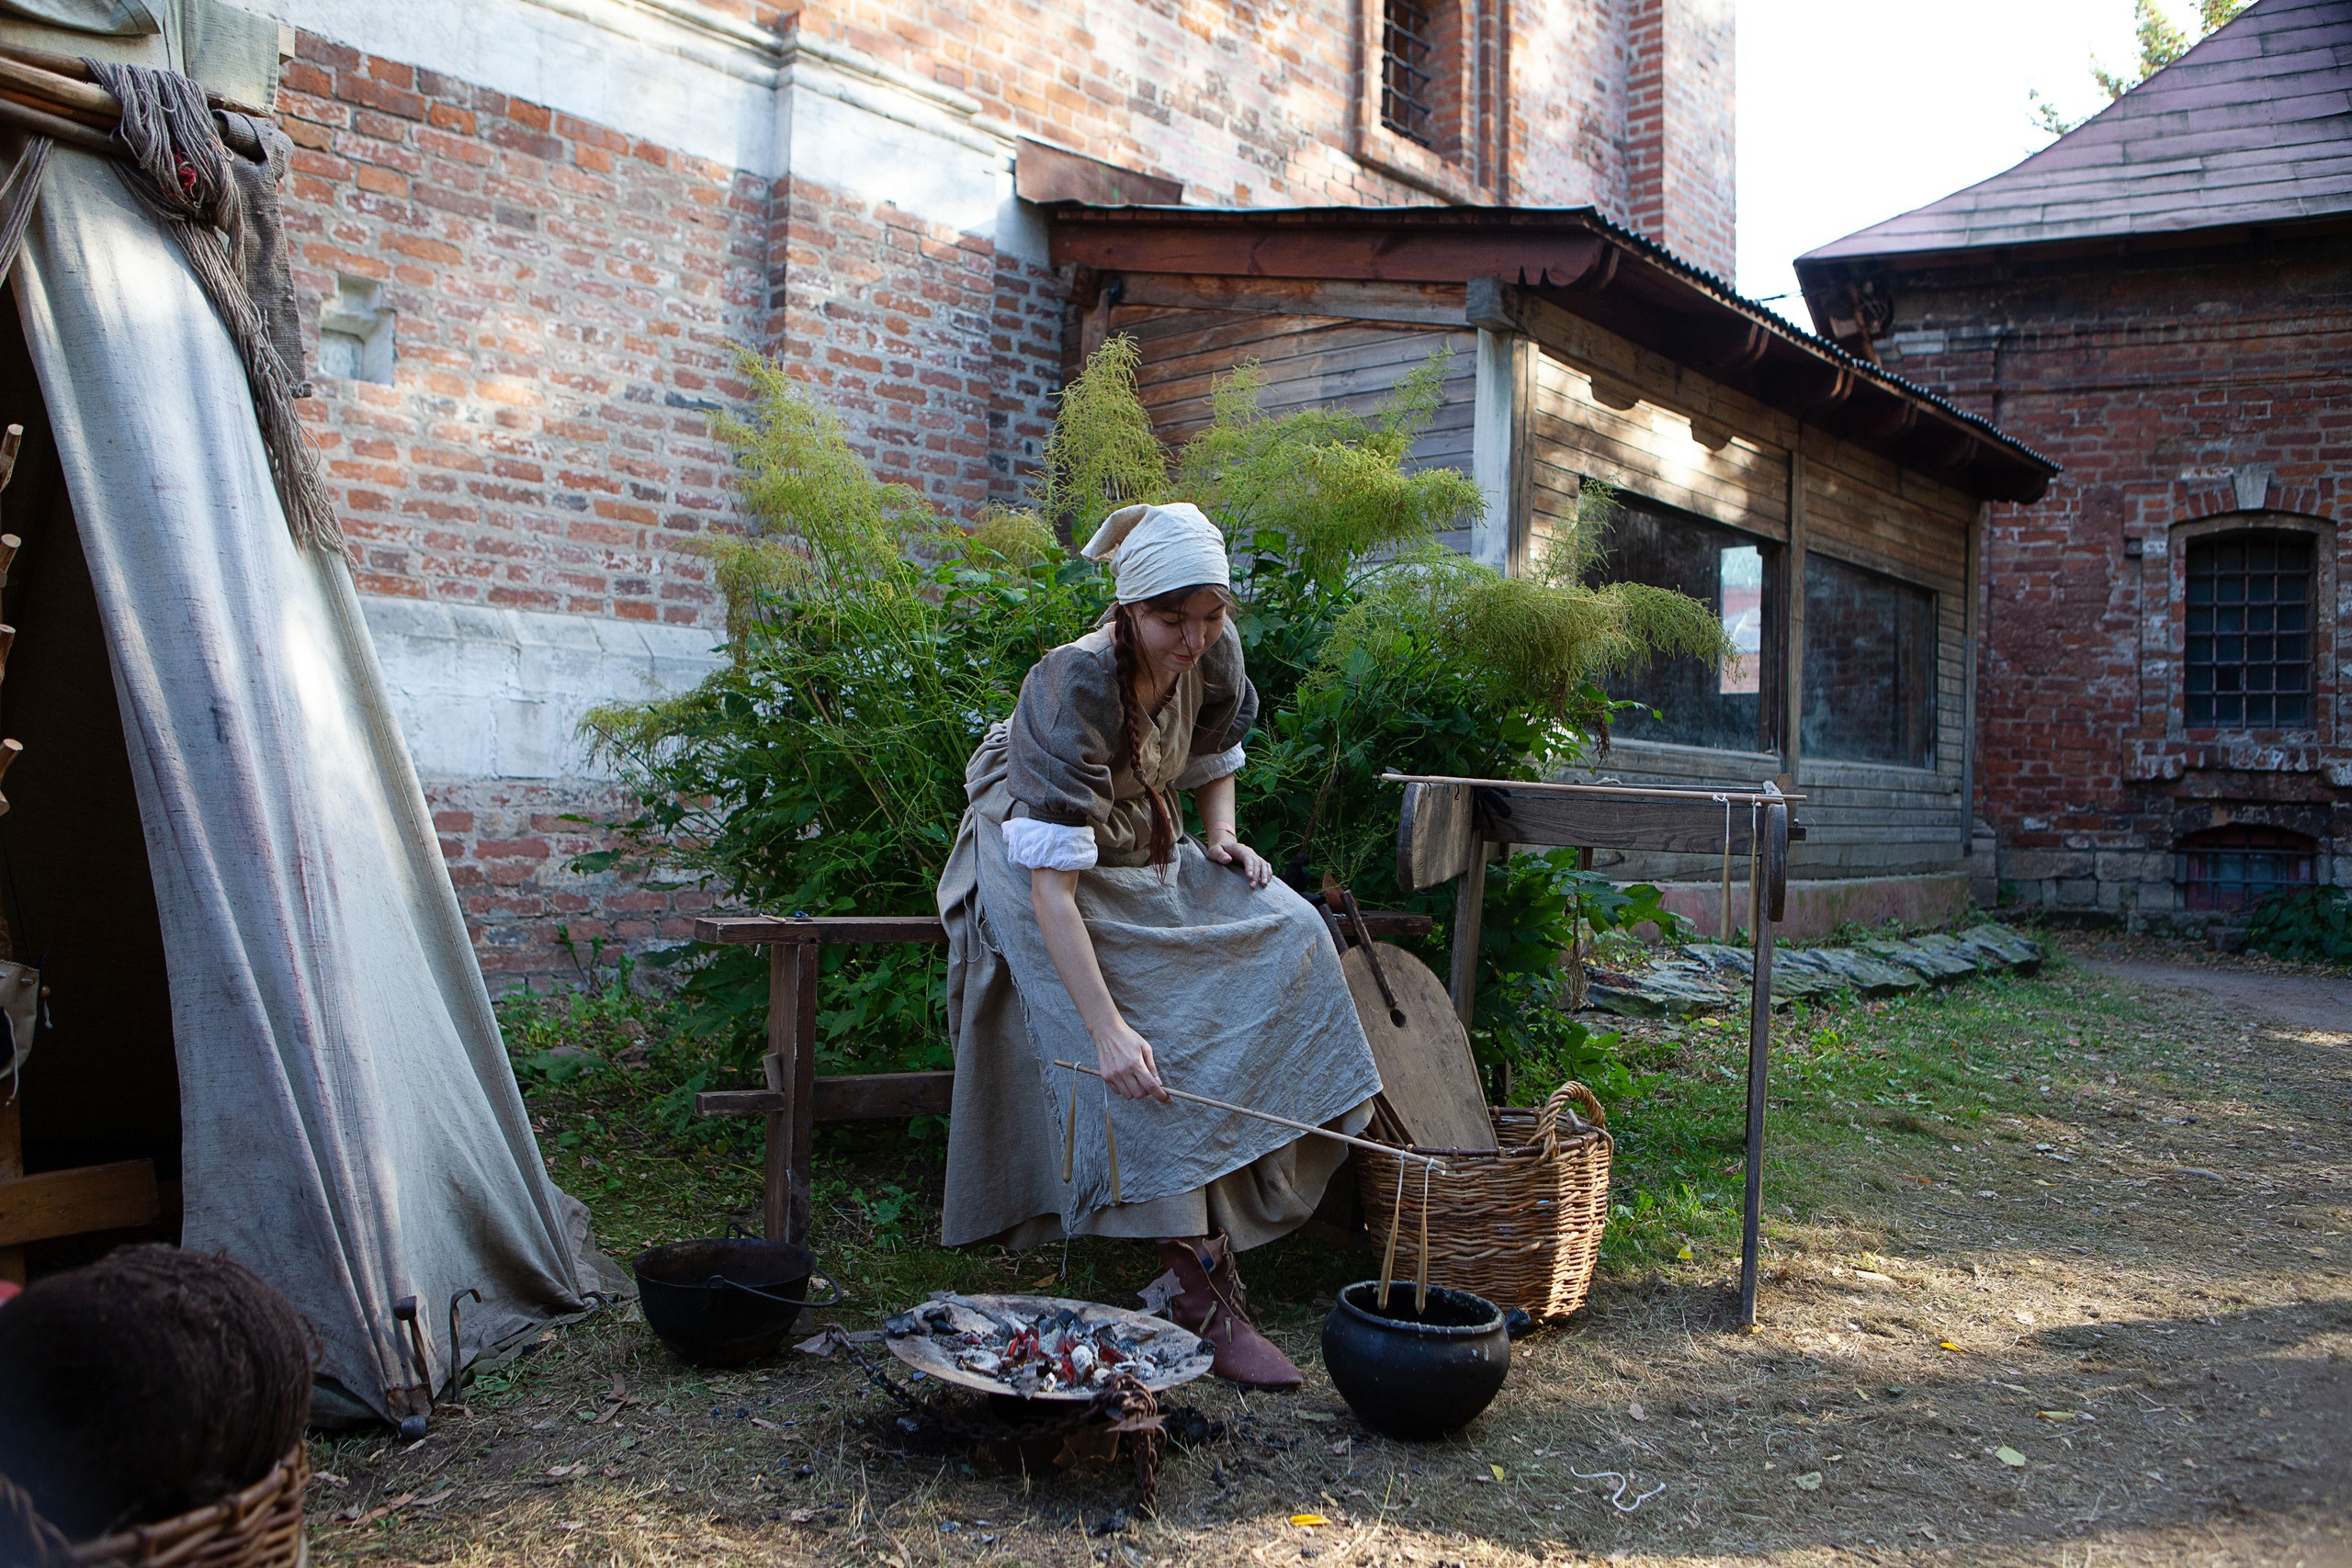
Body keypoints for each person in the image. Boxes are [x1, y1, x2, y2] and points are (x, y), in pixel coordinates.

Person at [935, 502, 1383, 1388]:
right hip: (1034, 854)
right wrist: (1104, 1031)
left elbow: (1214, 747)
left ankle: (1228, 1230)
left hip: (1138, 828)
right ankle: (1195, 1283)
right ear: (1129, 611)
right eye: (1172, 620)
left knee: (1292, 930)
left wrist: (1218, 836)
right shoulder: (1073, 689)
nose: (1193, 638)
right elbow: (1052, 889)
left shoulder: (1213, 647)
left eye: (1210, 616)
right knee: (1134, 1016)